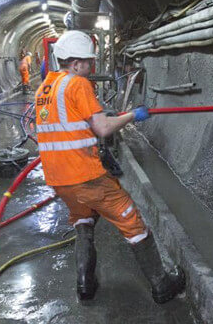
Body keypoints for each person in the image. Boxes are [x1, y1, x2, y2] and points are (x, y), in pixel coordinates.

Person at [35, 30, 185, 303]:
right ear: (76, 63)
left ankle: (85, 283)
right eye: (88, 62)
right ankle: (162, 284)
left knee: (83, 220)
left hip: (59, 179)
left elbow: (72, 126)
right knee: (132, 222)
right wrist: (132, 116)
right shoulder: (77, 84)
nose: (91, 68)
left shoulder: (44, 88)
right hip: (86, 176)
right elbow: (103, 128)